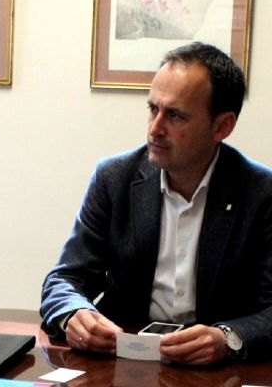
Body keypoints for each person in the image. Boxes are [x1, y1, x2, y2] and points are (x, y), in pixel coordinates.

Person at [41, 42, 272, 365]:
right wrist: (73, 314)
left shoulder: (261, 193)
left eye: (175, 115)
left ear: (222, 126)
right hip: (122, 358)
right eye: (153, 109)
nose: (155, 128)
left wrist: (229, 338)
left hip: (216, 369)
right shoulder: (114, 179)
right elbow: (65, 280)